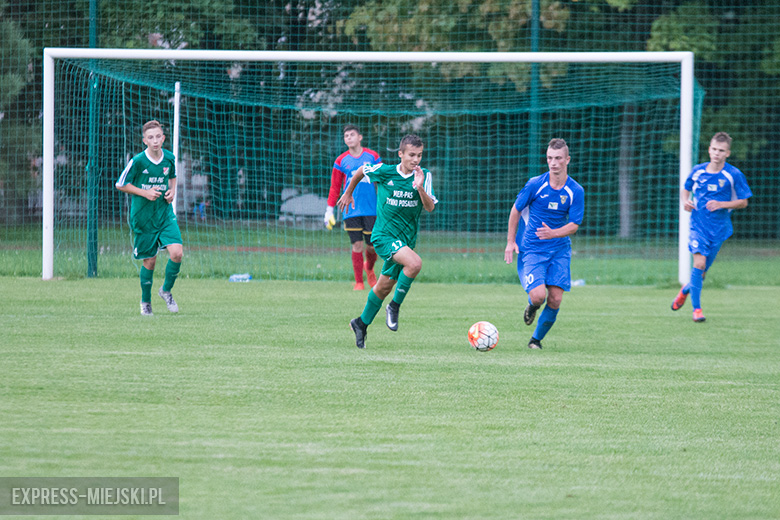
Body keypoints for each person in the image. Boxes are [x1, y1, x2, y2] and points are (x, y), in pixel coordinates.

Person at [337, 134, 437, 349]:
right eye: (411, 155)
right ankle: (394, 306)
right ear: (400, 154)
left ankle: (360, 323)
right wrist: (348, 193)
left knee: (382, 287)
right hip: (383, 237)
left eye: (419, 155)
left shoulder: (424, 176)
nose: (416, 160)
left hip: (406, 242)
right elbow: (361, 170)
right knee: (415, 263)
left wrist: (419, 187)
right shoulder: (385, 171)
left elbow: (429, 207)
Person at [504, 138, 584, 349]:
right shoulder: (535, 184)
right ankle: (532, 305)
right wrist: (511, 242)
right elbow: (515, 210)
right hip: (533, 249)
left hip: (559, 250)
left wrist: (553, 233)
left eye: (558, 158)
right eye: (550, 158)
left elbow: (574, 225)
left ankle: (535, 340)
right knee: (539, 296)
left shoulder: (575, 191)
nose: (553, 163)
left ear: (567, 159)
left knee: (556, 299)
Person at [671, 132, 752, 322]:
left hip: (719, 229)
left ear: (728, 153)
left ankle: (684, 291)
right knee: (698, 265)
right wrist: (685, 201)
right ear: (709, 149)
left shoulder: (733, 175)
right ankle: (697, 310)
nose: (717, 153)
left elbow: (743, 202)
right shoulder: (698, 171)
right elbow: (686, 187)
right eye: (714, 149)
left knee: (702, 273)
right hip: (697, 226)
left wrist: (721, 204)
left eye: (721, 151)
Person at [116, 120, 183, 316]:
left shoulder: (169, 158)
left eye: (158, 137)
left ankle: (166, 290)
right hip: (143, 217)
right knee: (150, 262)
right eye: (150, 137)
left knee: (177, 253)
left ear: (163, 138)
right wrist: (144, 193)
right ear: (144, 140)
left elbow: (172, 178)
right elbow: (120, 184)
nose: (155, 141)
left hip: (164, 214)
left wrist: (172, 191)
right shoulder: (137, 161)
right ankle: (146, 301)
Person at [325, 125, 382, 290]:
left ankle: (369, 269)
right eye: (346, 136)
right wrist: (329, 210)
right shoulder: (341, 160)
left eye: (352, 135)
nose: (348, 138)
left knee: (372, 246)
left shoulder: (372, 157)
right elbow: (335, 187)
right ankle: (359, 282)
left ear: (360, 137)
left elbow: (382, 180)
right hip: (351, 210)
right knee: (357, 245)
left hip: (371, 209)